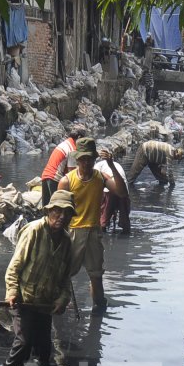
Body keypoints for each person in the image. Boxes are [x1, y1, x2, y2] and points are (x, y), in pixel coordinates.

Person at [3, 190, 76, 366]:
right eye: (57, 211)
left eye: (66, 213)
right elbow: (15, 266)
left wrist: (63, 298)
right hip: (23, 298)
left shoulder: (67, 242)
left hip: (45, 302)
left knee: (44, 342)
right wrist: (12, 291)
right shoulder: (33, 231)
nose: (61, 216)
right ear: (48, 211)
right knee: (24, 340)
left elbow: (66, 279)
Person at [57, 136, 108, 310]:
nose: (86, 163)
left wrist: (112, 166)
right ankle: (61, 306)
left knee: (96, 276)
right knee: (63, 274)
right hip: (73, 232)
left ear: (95, 159)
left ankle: (99, 308)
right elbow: (58, 213)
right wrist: (58, 239)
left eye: (90, 159)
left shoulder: (100, 177)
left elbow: (122, 192)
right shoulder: (67, 181)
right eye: (83, 159)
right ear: (77, 159)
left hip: (93, 231)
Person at [40, 124, 85, 206]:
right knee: (57, 206)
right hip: (55, 179)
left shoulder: (65, 143)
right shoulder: (72, 149)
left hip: (46, 175)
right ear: (79, 137)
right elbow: (72, 173)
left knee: (47, 208)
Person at [97, 148, 131, 235]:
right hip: (122, 188)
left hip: (110, 189)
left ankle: (103, 233)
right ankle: (125, 233)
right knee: (124, 215)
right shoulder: (116, 165)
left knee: (103, 218)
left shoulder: (97, 167)